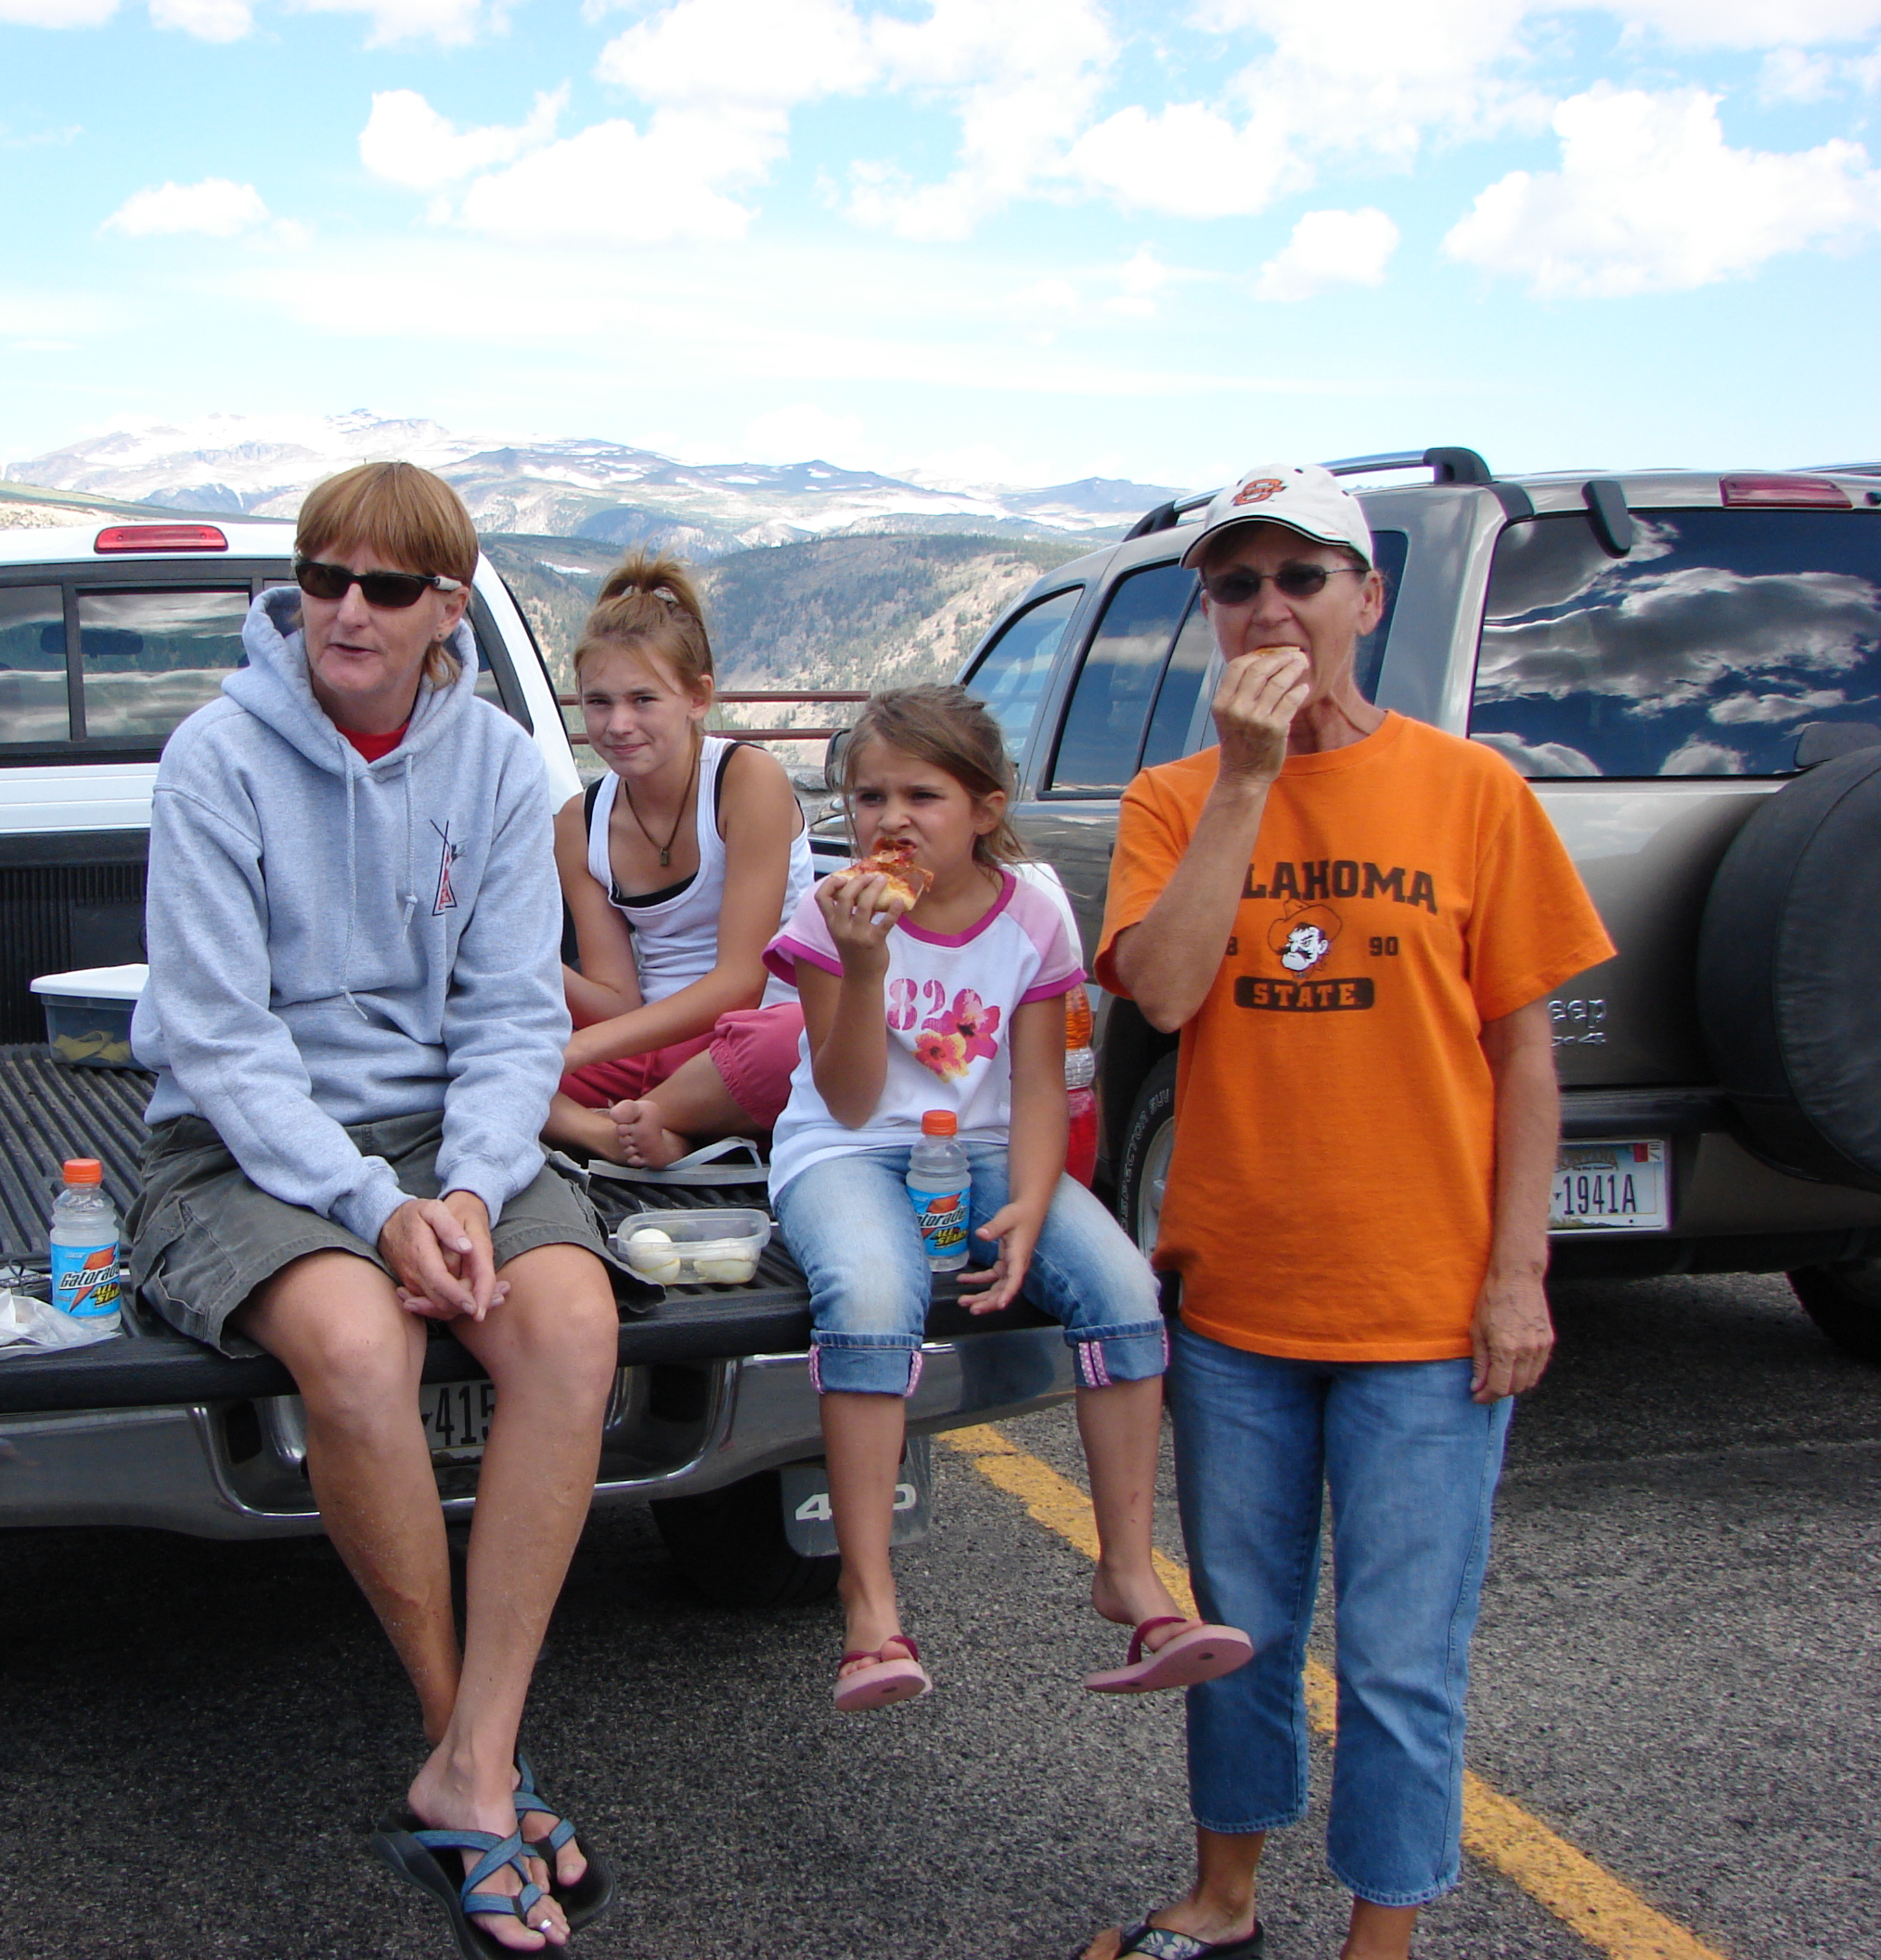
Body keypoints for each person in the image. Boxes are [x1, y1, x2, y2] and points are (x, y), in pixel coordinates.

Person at [1079, 464, 1614, 1960]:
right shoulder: (1173, 799)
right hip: (1241, 1305)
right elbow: (1168, 992)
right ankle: (1226, 1897)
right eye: (1236, 585)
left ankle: (1384, 1933)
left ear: (1366, 599)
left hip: (1424, 1313)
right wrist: (1249, 780)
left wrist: (1519, 1277)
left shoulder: (1471, 790)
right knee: (1238, 1645)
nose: (1268, 609)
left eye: (1302, 578)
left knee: (1400, 1661)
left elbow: (1523, 1056)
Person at [124, 462, 622, 1955]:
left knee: (576, 1325)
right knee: (355, 1348)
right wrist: (369, 1203)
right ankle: (464, 1751)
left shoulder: (494, 768)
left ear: (445, 612)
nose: (345, 607)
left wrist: (467, 1185)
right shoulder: (216, 759)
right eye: (322, 577)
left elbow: (516, 1014)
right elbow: (216, 1036)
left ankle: (474, 1756)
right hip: (244, 1136)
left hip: (446, 1132)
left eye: (385, 587)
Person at [765, 685, 1251, 1711]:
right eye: (867, 797)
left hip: (985, 1143)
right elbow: (848, 1102)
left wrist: (1033, 1202)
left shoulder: (1029, 905)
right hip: (846, 1148)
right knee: (866, 1293)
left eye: (921, 795)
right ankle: (868, 1600)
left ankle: (1125, 1569)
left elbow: (1041, 1083)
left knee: (1123, 1285)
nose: (889, 820)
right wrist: (861, 968)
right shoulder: (830, 910)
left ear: (984, 808)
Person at [545, 553, 812, 1169]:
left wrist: (575, 1054)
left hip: (754, 1032)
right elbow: (617, 1000)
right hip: (650, 1043)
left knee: (799, 1040)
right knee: (483, 1051)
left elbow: (741, 981)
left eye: (644, 699)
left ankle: (652, 1118)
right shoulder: (576, 823)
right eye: (598, 703)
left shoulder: (746, 780)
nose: (618, 725)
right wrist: (525, 963)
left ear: (697, 698)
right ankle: (620, 1134)